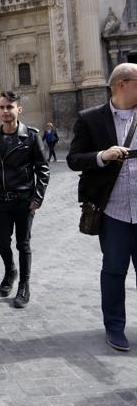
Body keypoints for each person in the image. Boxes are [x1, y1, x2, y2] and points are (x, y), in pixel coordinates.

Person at [67, 63, 137, 352]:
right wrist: (102, 156)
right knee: (114, 271)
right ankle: (115, 327)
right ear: (122, 84)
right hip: (113, 212)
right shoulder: (90, 119)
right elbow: (73, 159)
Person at [0, 91, 50, 308]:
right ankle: (10, 270)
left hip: (24, 200)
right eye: (2, 107)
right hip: (2, 201)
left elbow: (43, 169)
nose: (5, 111)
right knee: (2, 242)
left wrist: (37, 197)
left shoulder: (31, 136)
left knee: (23, 244)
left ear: (18, 109)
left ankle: (24, 284)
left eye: (9, 107)